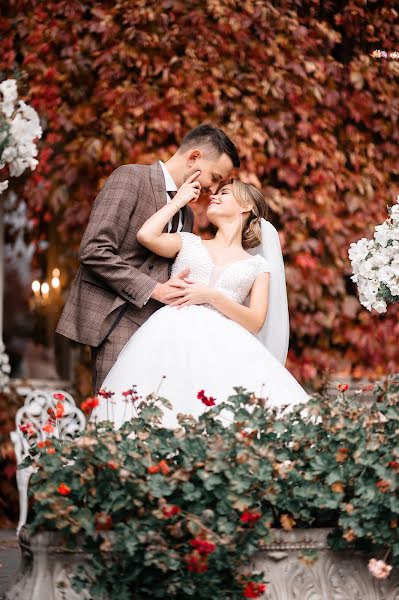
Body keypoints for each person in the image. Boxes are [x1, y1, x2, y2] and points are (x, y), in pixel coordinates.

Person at [91, 178, 309, 428]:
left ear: (245, 206)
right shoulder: (189, 242)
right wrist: (178, 201)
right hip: (168, 339)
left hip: (223, 349)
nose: (213, 197)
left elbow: (256, 320)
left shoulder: (258, 267)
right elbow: (146, 235)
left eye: (224, 193)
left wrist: (211, 296)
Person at [55, 124, 240, 391]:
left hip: (160, 333)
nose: (213, 189)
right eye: (215, 177)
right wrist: (154, 289)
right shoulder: (130, 178)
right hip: (116, 321)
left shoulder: (186, 214)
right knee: (113, 418)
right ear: (193, 158)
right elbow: (94, 249)